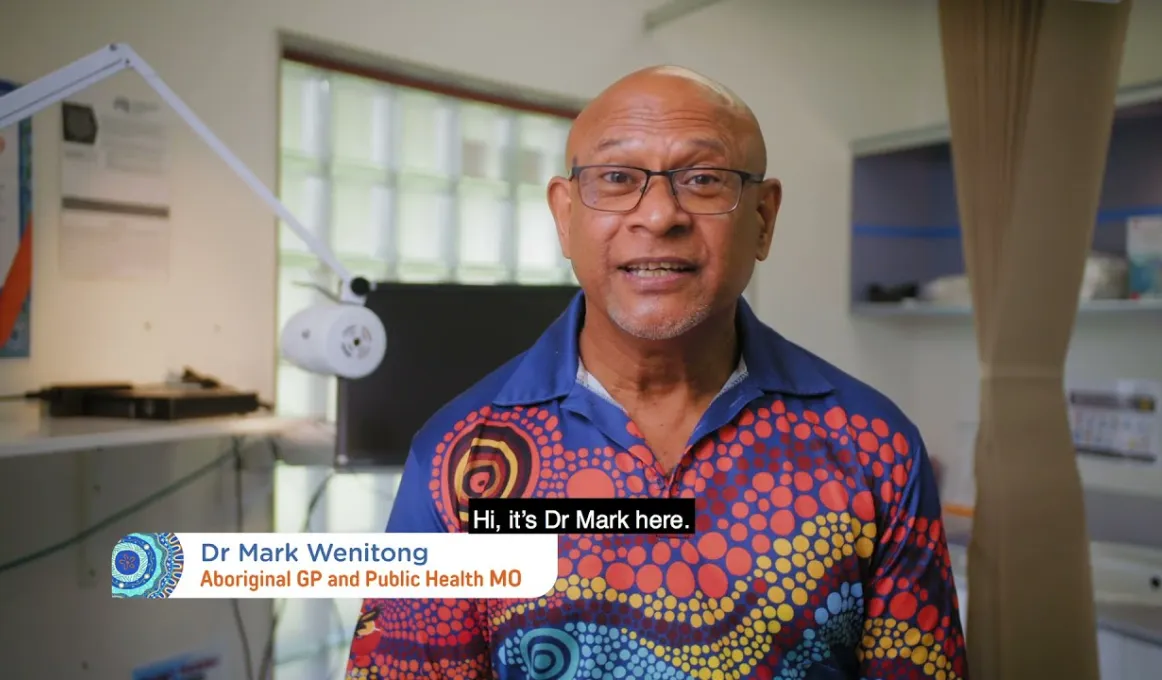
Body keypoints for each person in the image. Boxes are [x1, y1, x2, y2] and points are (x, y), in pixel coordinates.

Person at [345, 65, 968, 680]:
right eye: (617, 178)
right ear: (565, 216)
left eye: (703, 180)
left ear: (763, 218)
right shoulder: (462, 455)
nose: (659, 215)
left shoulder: (873, 447)